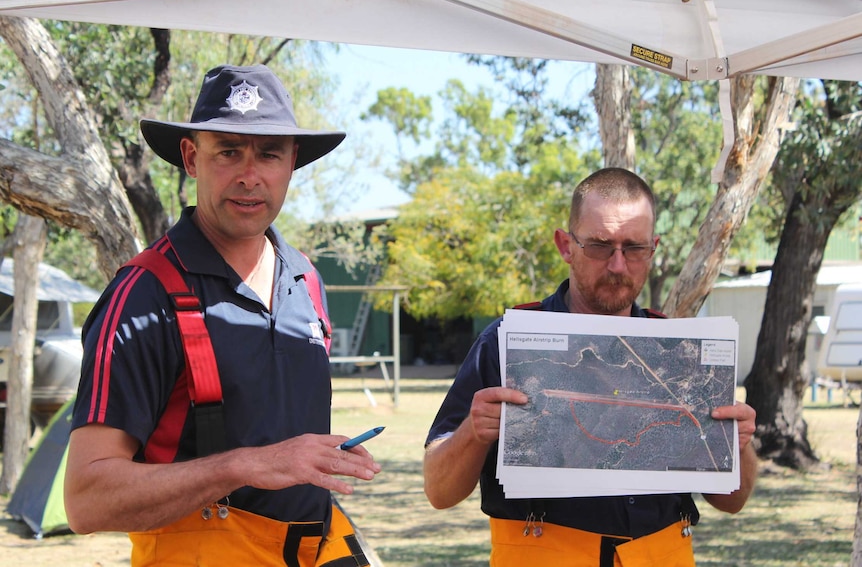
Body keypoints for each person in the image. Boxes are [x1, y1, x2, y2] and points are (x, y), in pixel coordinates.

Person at [64, 64, 381, 567]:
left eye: (269, 154)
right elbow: (86, 500)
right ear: (191, 158)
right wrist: (248, 465)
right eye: (229, 151)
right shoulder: (143, 297)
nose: (249, 176)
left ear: (292, 162)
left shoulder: (306, 281)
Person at [423, 167, 757, 567]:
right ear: (566, 245)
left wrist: (739, 444)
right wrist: (473, 433)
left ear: (654, 247)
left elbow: (731, 501)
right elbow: (439, 492)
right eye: (600, 246)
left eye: (634, 248)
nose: (618, 266)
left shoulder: (683, 351)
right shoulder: (506, 341)